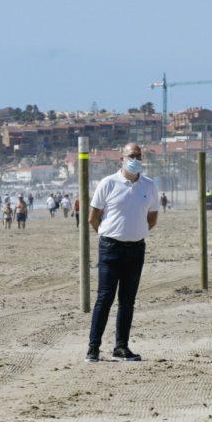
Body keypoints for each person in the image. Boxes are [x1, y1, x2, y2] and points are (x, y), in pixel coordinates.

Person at [86, 142, 159, 362]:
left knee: (128, 300)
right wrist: (109, 235)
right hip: (110, 248)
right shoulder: (108, 183)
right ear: (122, 158)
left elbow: (152, 217)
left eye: (138, 155)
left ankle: (121, 347)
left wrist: (136, 232)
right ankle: (93, 348)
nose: (135, 159)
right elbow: (93, 217)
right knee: (104, 298)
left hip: (136, 248)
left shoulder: (149, 186)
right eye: (131, 155)